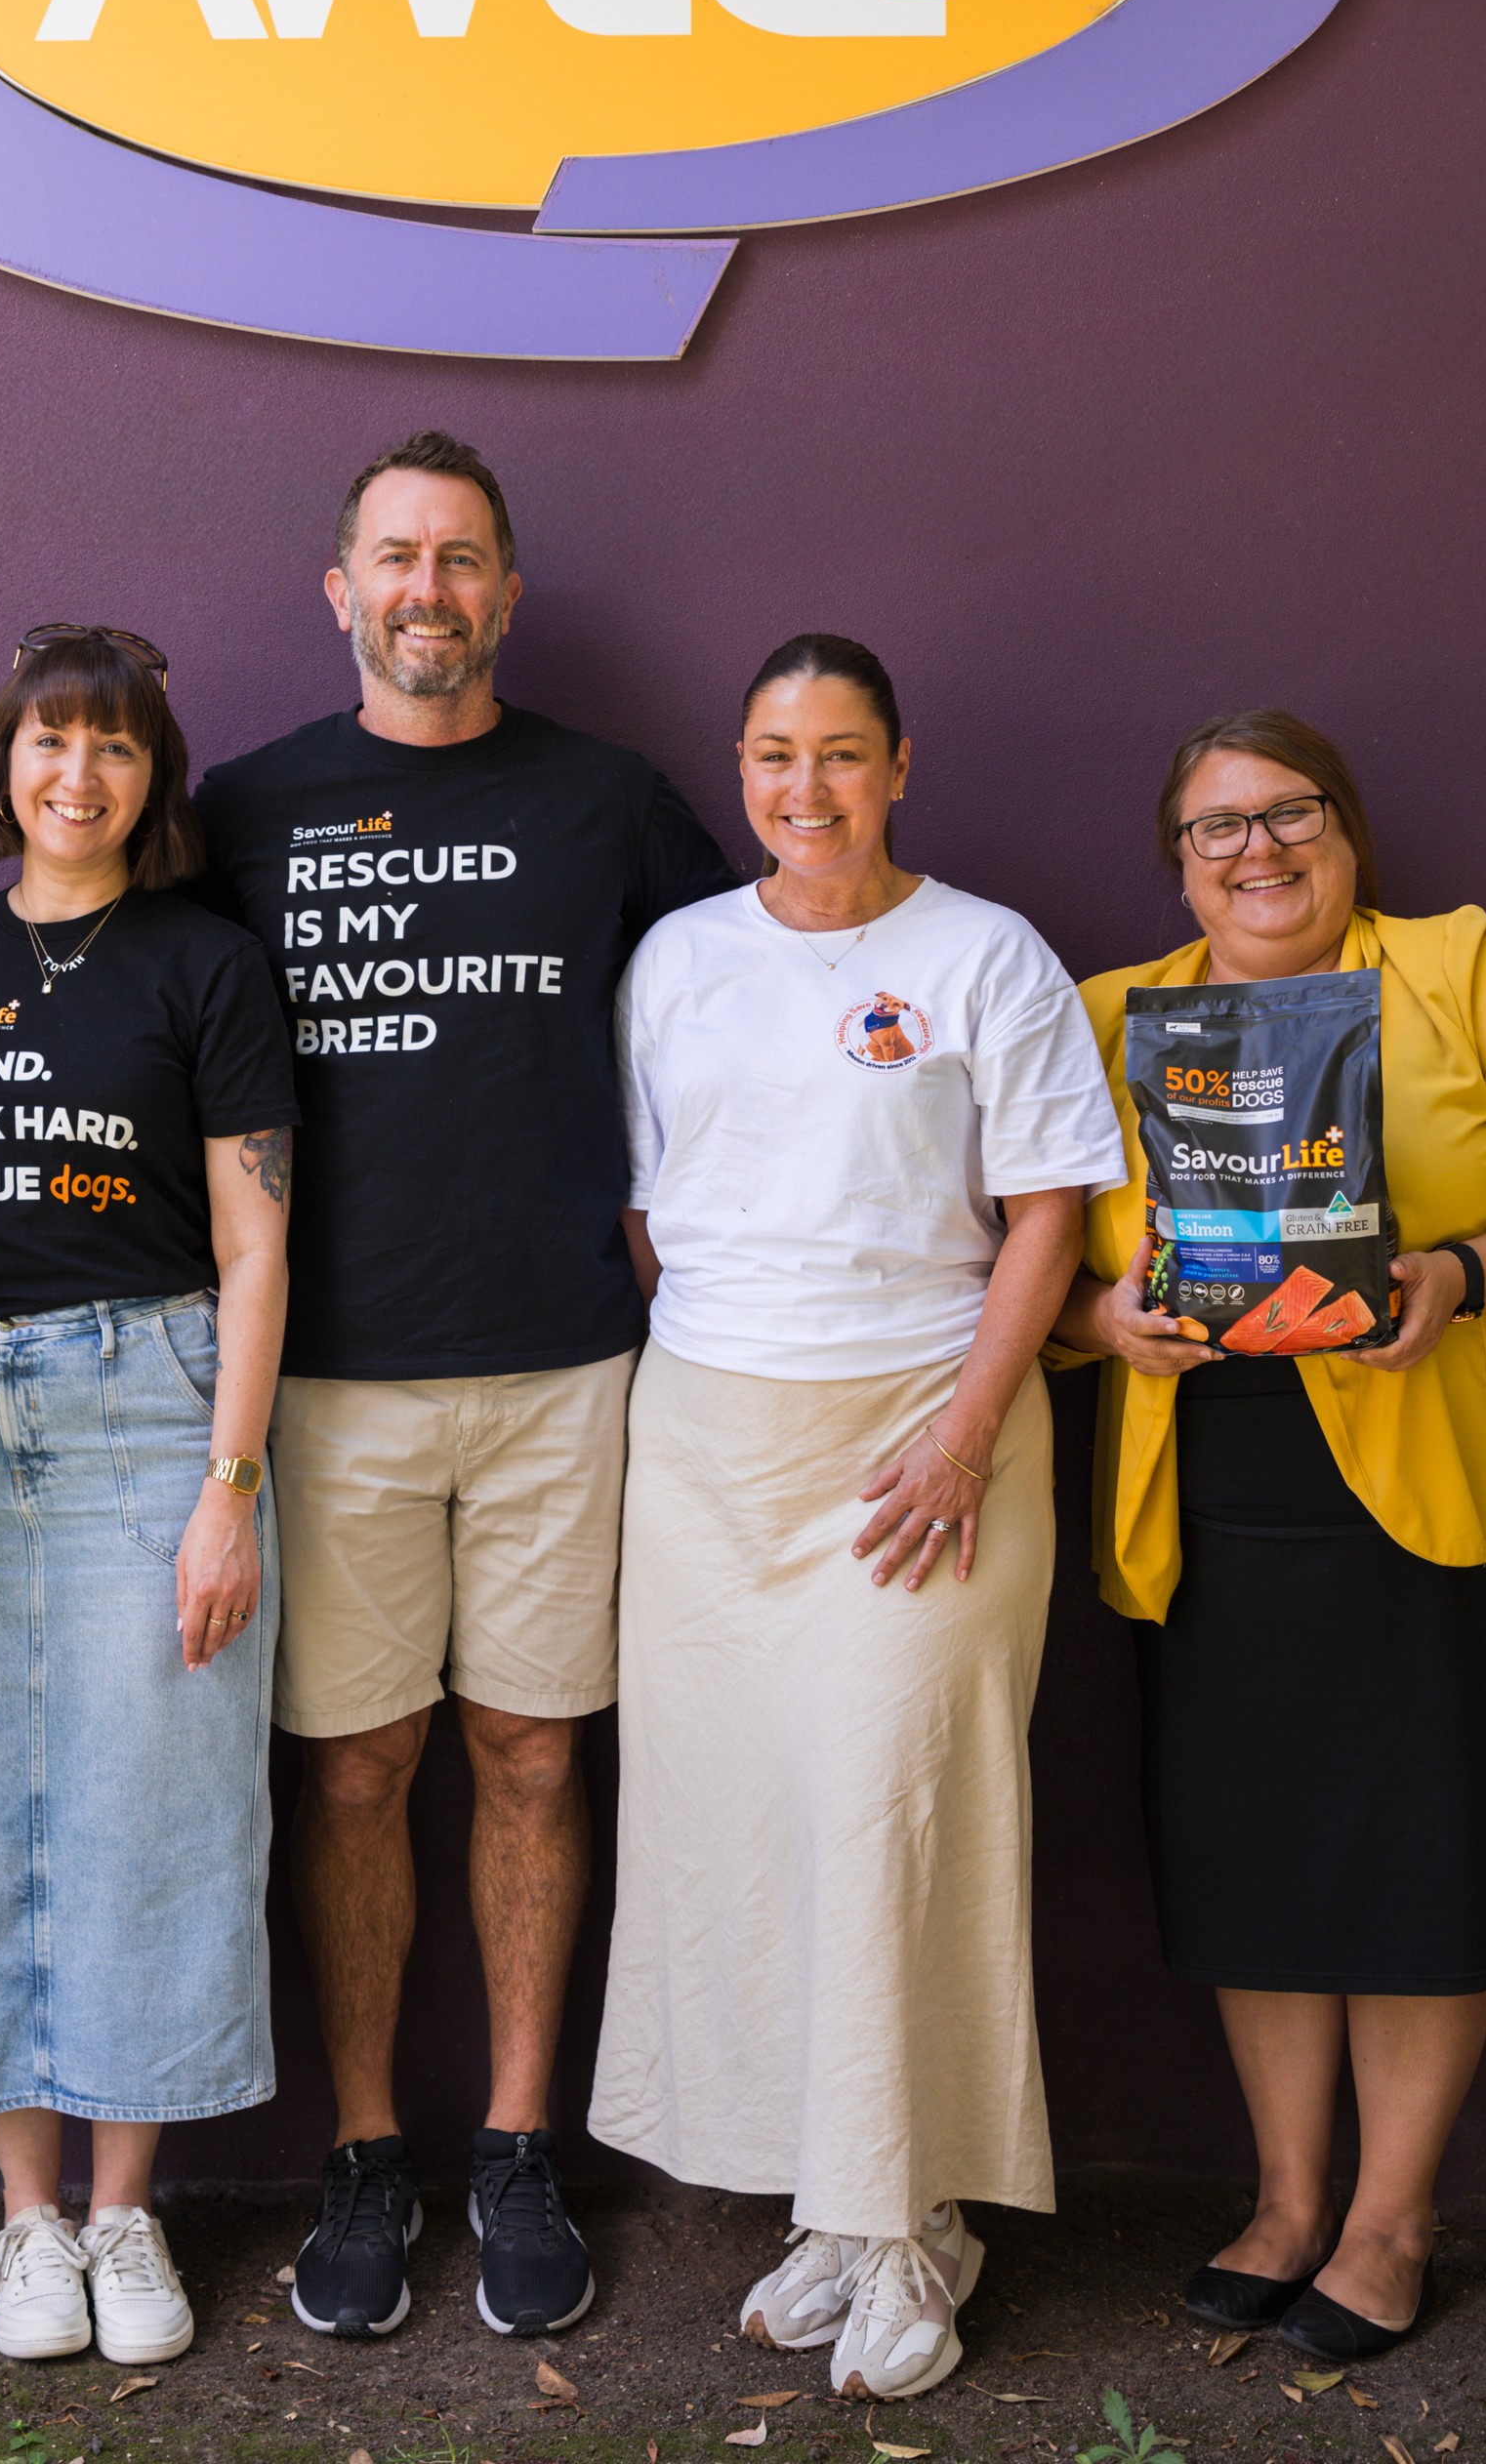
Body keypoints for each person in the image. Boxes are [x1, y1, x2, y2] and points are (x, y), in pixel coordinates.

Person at [189, 431, 734, 2340]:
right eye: (393, 557)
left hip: (563, 1372)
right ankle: (362, 2150)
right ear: (338, 593)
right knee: (352, 1772)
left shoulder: (611, 800)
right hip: (324, 1387)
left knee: (529, 1754)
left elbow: (739, 1015)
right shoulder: (235, 811)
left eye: (462, 559)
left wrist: (704, 1225)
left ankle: (511, 2144)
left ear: (505, 594)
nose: (427, 588)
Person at [1056, 711, 1486, 2360]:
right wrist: (1108, 1325)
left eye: (1288, 814)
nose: (1257, 851)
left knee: (1420, 1855)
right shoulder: (1114, 1021)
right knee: (1256, 1856)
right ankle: (1285, 2198)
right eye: (1216, 828)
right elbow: (1036, 1262)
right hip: (1218, 1505)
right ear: (1177, 860)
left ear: (1348, 828)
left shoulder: (1464, 976)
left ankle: (1389, 2219)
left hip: (1445, 1490)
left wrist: (1452, 1280)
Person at [588, 634, 1123, 2403]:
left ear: (899, 766)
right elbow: (660, 1209)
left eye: (836, 754)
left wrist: (968, 1427)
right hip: (710, 1453)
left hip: (922, 1436)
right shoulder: (678, 958)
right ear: (736, 771)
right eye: (767, 755)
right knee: (747, 1826)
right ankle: (836, 2196)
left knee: (899, 1811)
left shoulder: (984, 954)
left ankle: (911, 2225)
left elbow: (1046, 1210)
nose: (801, 790)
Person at [0, 626, 298, 2371]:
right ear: (8, 759)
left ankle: (126, 2212)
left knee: (155, 1802)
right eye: (53, 742)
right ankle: (22, 2226)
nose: (80, 777)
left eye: (115, 749)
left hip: (149, 1404)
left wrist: (229, 1487)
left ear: (149, 777)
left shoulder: (205, 963)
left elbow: (258, 1241)